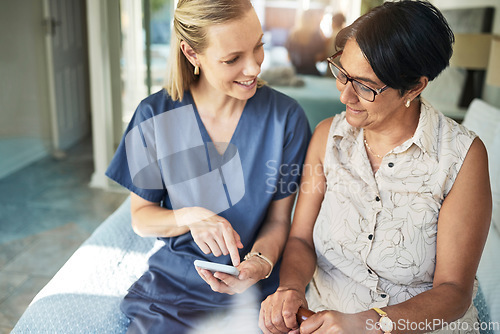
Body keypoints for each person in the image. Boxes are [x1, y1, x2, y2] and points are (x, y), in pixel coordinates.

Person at [259, 1, 492, 333]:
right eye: (343, 74)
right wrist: (291, 289)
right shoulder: (328, 137)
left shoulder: (461, 157)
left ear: (413, 87)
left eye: (365, 87)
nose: (345, 97)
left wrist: (367, 323)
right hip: (321, 322)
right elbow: (301, 238)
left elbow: (454, 292)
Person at [105, 0, 311, 333]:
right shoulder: (154, 116)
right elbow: (142, 218)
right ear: (191, 54)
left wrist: (260, 263)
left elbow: (277, 221)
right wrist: (190, 216)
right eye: (233, 59)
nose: (254, 68)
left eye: (258, 47)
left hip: (255, 294)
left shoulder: (286, 119)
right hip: (174, 290)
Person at [285, 9, 326, 76]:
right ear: (313, 20)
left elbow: (288, 58)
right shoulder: (316, 35)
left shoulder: (293, 34)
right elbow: (320, 58)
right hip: (311, 73)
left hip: (295, 73)